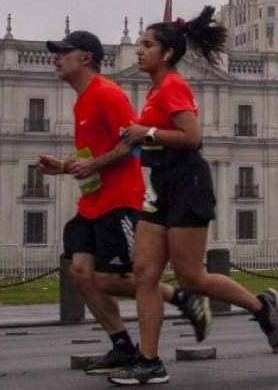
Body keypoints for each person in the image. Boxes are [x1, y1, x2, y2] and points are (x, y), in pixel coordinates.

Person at [111, 9, 278, 385]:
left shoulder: (174, 85)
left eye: (147, 45)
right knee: (144, 274)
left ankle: (261, 306)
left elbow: (192, 137)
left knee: (191, 277)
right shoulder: (155, 89)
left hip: (188, 182)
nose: (139, 52)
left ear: (168, 53)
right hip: (160, 185)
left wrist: (149, 133)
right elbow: (154, 138)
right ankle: (149, 361)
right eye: (139, 44)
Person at [36, 30, 210, 376]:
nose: (55, 58)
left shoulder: (107, 93)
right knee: (82, 273)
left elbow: (132, 143)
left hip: (119, 200)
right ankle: (122, 346)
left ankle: (181, 299)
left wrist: (94, 165)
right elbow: (94, 154)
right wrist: (64, 167)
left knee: (111, 278)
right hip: (92, 201)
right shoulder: (82, 100)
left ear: (85, 58)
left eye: (63, 52)